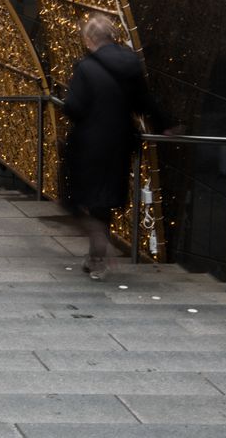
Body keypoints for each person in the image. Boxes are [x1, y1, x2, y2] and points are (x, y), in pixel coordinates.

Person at [63, 14, 169, 281]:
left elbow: (73, 107)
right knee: (105, 198)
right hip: (121, 143)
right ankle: (96, 257)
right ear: (112, 37)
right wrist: (166, 124)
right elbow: (144, 102)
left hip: (89, 143)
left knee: (75, 196)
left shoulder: (85, 68)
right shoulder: (131, 64)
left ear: (89, 40)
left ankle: (97, 242)